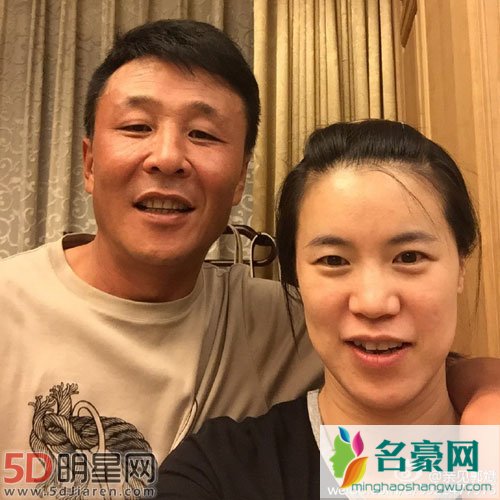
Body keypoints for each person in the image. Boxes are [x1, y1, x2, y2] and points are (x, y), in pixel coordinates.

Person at [0, 19, 497, 498]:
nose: (167, 157)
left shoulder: (278, 318)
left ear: (240, 178)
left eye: (203, 134)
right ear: (89, 162)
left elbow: (417, 361)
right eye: (136, 126)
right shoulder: (10, 308)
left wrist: (487, 414)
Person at [158, 119, 500, 499]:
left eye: (409, 257)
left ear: (460, 266)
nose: (373, 303)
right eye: (334, 260)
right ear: (296, 277)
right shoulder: (219, 472)